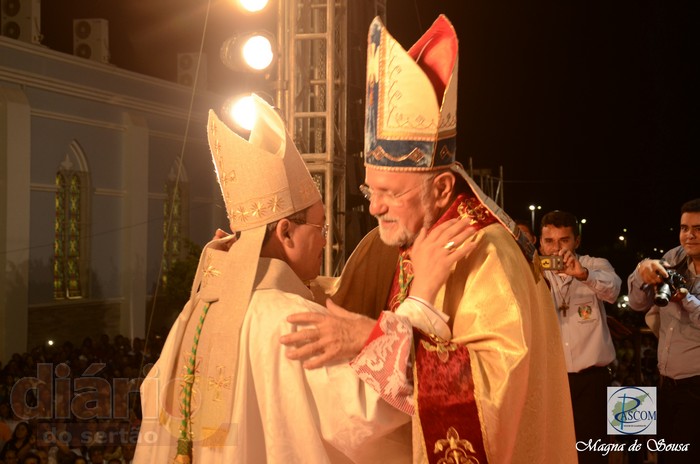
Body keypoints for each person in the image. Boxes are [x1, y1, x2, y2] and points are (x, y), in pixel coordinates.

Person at [282, 15, 577, 464]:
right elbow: (347, 298)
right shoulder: (403, 235)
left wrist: (376, 341)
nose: (375, 207)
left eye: (390, 193)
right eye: (370, 190)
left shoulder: (487, 253)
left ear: (440, 189)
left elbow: (495, 389)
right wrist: (269, 269)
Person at [133, 95, 473, 463]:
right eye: (320, 227)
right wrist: (420, 298)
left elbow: (153, 395)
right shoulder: (292, 320)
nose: (325, 241)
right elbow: (370, 409)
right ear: (285, 232)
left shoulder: (197, 312)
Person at [539, 210, 620, 463]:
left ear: (577, 241)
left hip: (592, 381)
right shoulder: (534, 272)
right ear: (540, 243)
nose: (556, 249)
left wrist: (583, 274)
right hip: (551, 380)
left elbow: (614, 290)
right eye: (549, 241)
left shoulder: (595, 265)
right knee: (554, 452)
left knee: (592, 454)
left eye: (564, 240)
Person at [627, 198, 700, 464]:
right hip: (665, 382)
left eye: (698, 229)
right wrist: (641, 271)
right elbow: (636, 304)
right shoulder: (672, 258)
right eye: (684, 228)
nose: (689, 235)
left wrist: (686, 299)